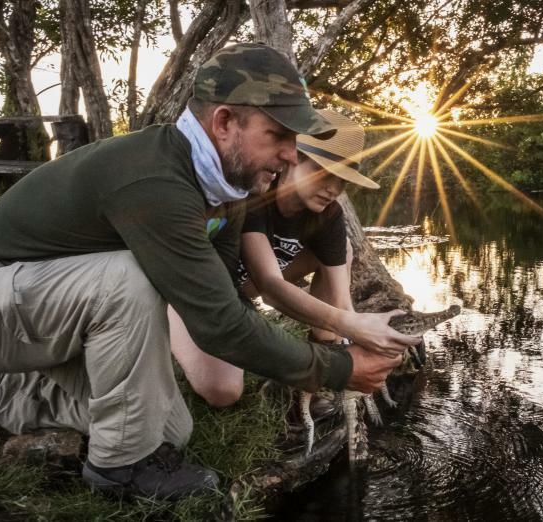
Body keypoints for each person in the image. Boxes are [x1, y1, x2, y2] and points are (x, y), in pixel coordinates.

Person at [0, 43, 418, 499]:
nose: (291, 155)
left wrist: (335, 336)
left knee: (170, 429)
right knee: (127, 278)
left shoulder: (224, 192)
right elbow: (220, 326)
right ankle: (119, 469)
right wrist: (339, 368)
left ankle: (7, 392)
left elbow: (222, 295)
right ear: (225, 122)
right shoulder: (155, 180)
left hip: (45, 310)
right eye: (279, 136)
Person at [170, 110, 412, 407]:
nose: (333, 189)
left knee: (342, 252)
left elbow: (342, 301)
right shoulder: (256, 195)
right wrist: (352, 324)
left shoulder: (329, 214)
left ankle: (321, 367)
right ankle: (167, 329)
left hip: (244, 290)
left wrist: (365, 341)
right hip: (202, 294)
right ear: (292, 158)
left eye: (343, 182)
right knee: (223, 391)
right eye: (325, 173)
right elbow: (270, 287)